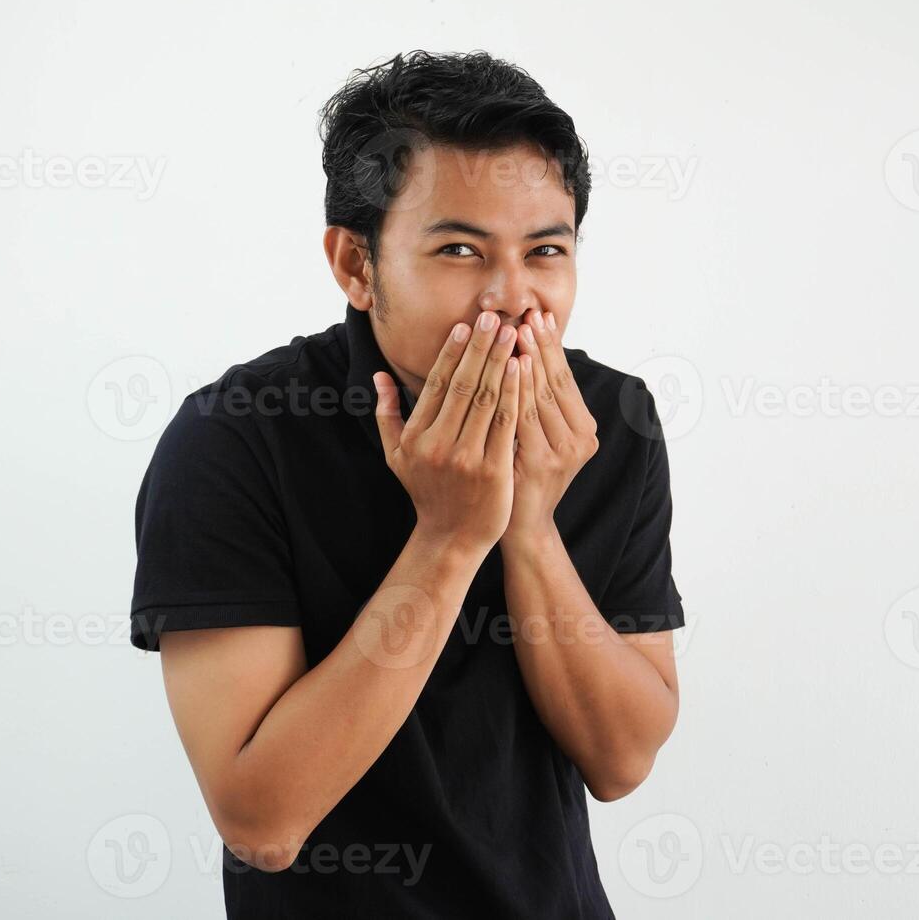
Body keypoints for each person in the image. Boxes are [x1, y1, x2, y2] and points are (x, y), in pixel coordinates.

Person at [129, 49, 684, 918]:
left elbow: (622, 762)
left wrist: (530, 525)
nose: (512, 299)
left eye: (546, 250)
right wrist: (453, 535)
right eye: (460, 249)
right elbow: (262, 821)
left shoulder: (612, 420)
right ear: (356, 265)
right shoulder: (234, 436)